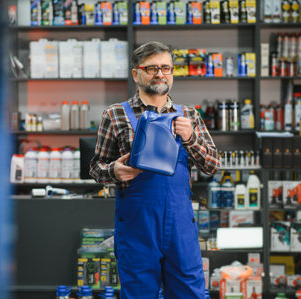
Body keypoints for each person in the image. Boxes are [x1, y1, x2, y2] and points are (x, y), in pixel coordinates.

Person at [89, 41, 220, 298]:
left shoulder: (189, 116)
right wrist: (114, 171)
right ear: (136, 73)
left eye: (166, 68)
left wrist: (191, 138)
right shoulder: (115, 114)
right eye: (152, 68)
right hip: (137, 226)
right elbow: (95, 168)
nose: (160, 73)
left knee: (190, 293)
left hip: (180, 226)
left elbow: (213, 166)